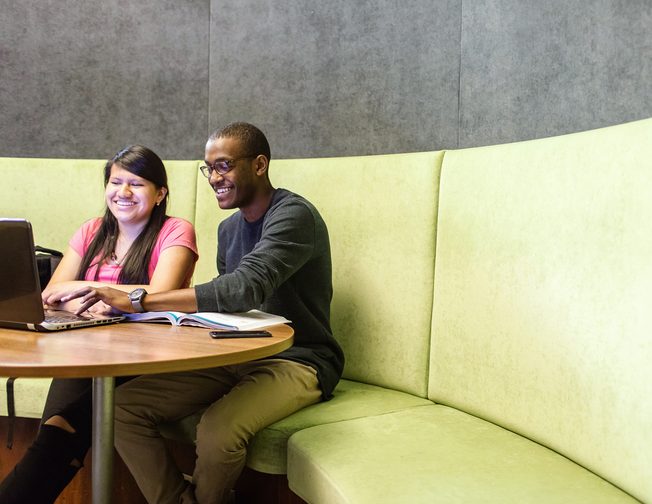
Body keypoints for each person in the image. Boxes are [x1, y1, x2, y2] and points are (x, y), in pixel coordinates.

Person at [60, 122, 345, 503]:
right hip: (236, 351)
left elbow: (243, 288)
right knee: (120, 410)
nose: (214, 178)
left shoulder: (294, 215)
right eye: (208, 168)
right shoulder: (229, 230)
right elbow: (231, 308)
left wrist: (139, 300)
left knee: (216, 430)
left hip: (297, 360)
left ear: (260, 165)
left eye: (224, 165)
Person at [0, 145, 199, 503]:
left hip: (145, 355)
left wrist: (90, 289)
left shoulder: (175, 230)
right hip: (83, 348)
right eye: (115, 182)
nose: (123, 192)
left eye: (135, 184)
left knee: (61, 431)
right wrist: (98, 297)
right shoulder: (91, 231)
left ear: (160, 194)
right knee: (57, 435)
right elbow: (51, 294)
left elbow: (162, 293)